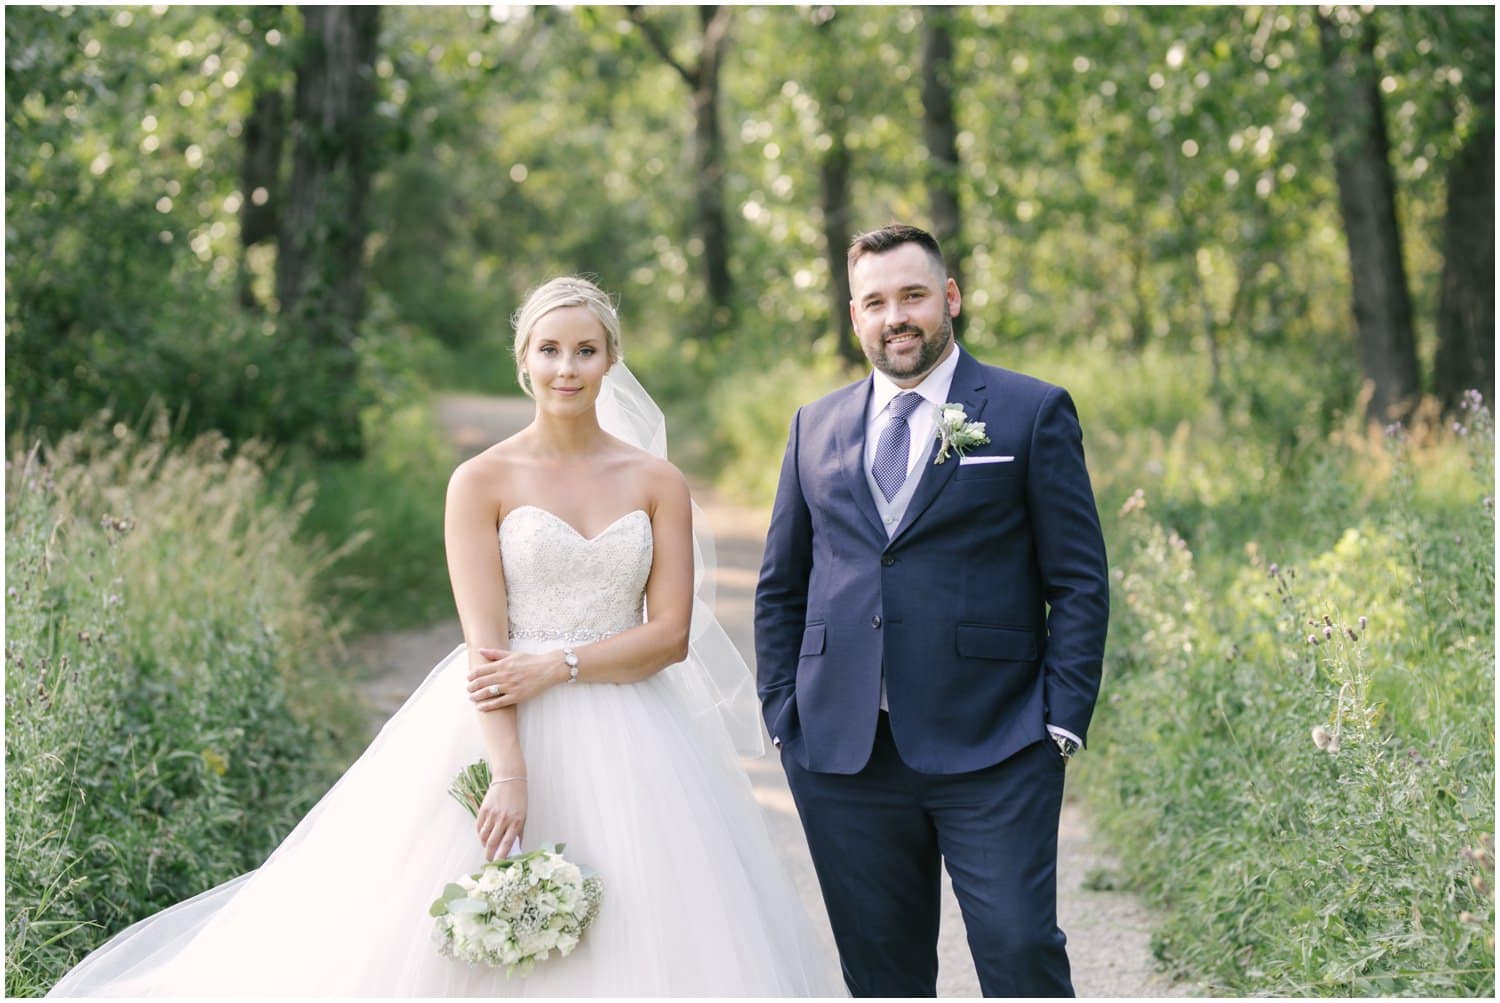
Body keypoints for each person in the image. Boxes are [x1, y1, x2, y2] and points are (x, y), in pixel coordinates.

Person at [48, 276, 844, 997]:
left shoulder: (656, 481)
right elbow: (485, 645)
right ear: (524, 360)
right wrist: (507, 772)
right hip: (500, 724)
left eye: (586, 350)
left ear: (611, 361)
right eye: (550, 350)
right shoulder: (481, 481)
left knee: (652, 927)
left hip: (640, 728)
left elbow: (668, 636)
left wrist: (560, 666)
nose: (567, 368)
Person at [755, 224, 1110, 997]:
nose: (896, 317)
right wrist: (783, 713)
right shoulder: (813, 426)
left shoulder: (1029, 411)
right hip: (844, 751)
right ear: (855, 317)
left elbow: (1078, 579)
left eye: (913, 295)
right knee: (884, 976)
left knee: (1020, 952)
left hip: (998, 739)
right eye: (875, 302)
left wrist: (1061, 716)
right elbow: (783, 582)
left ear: (949, 298)